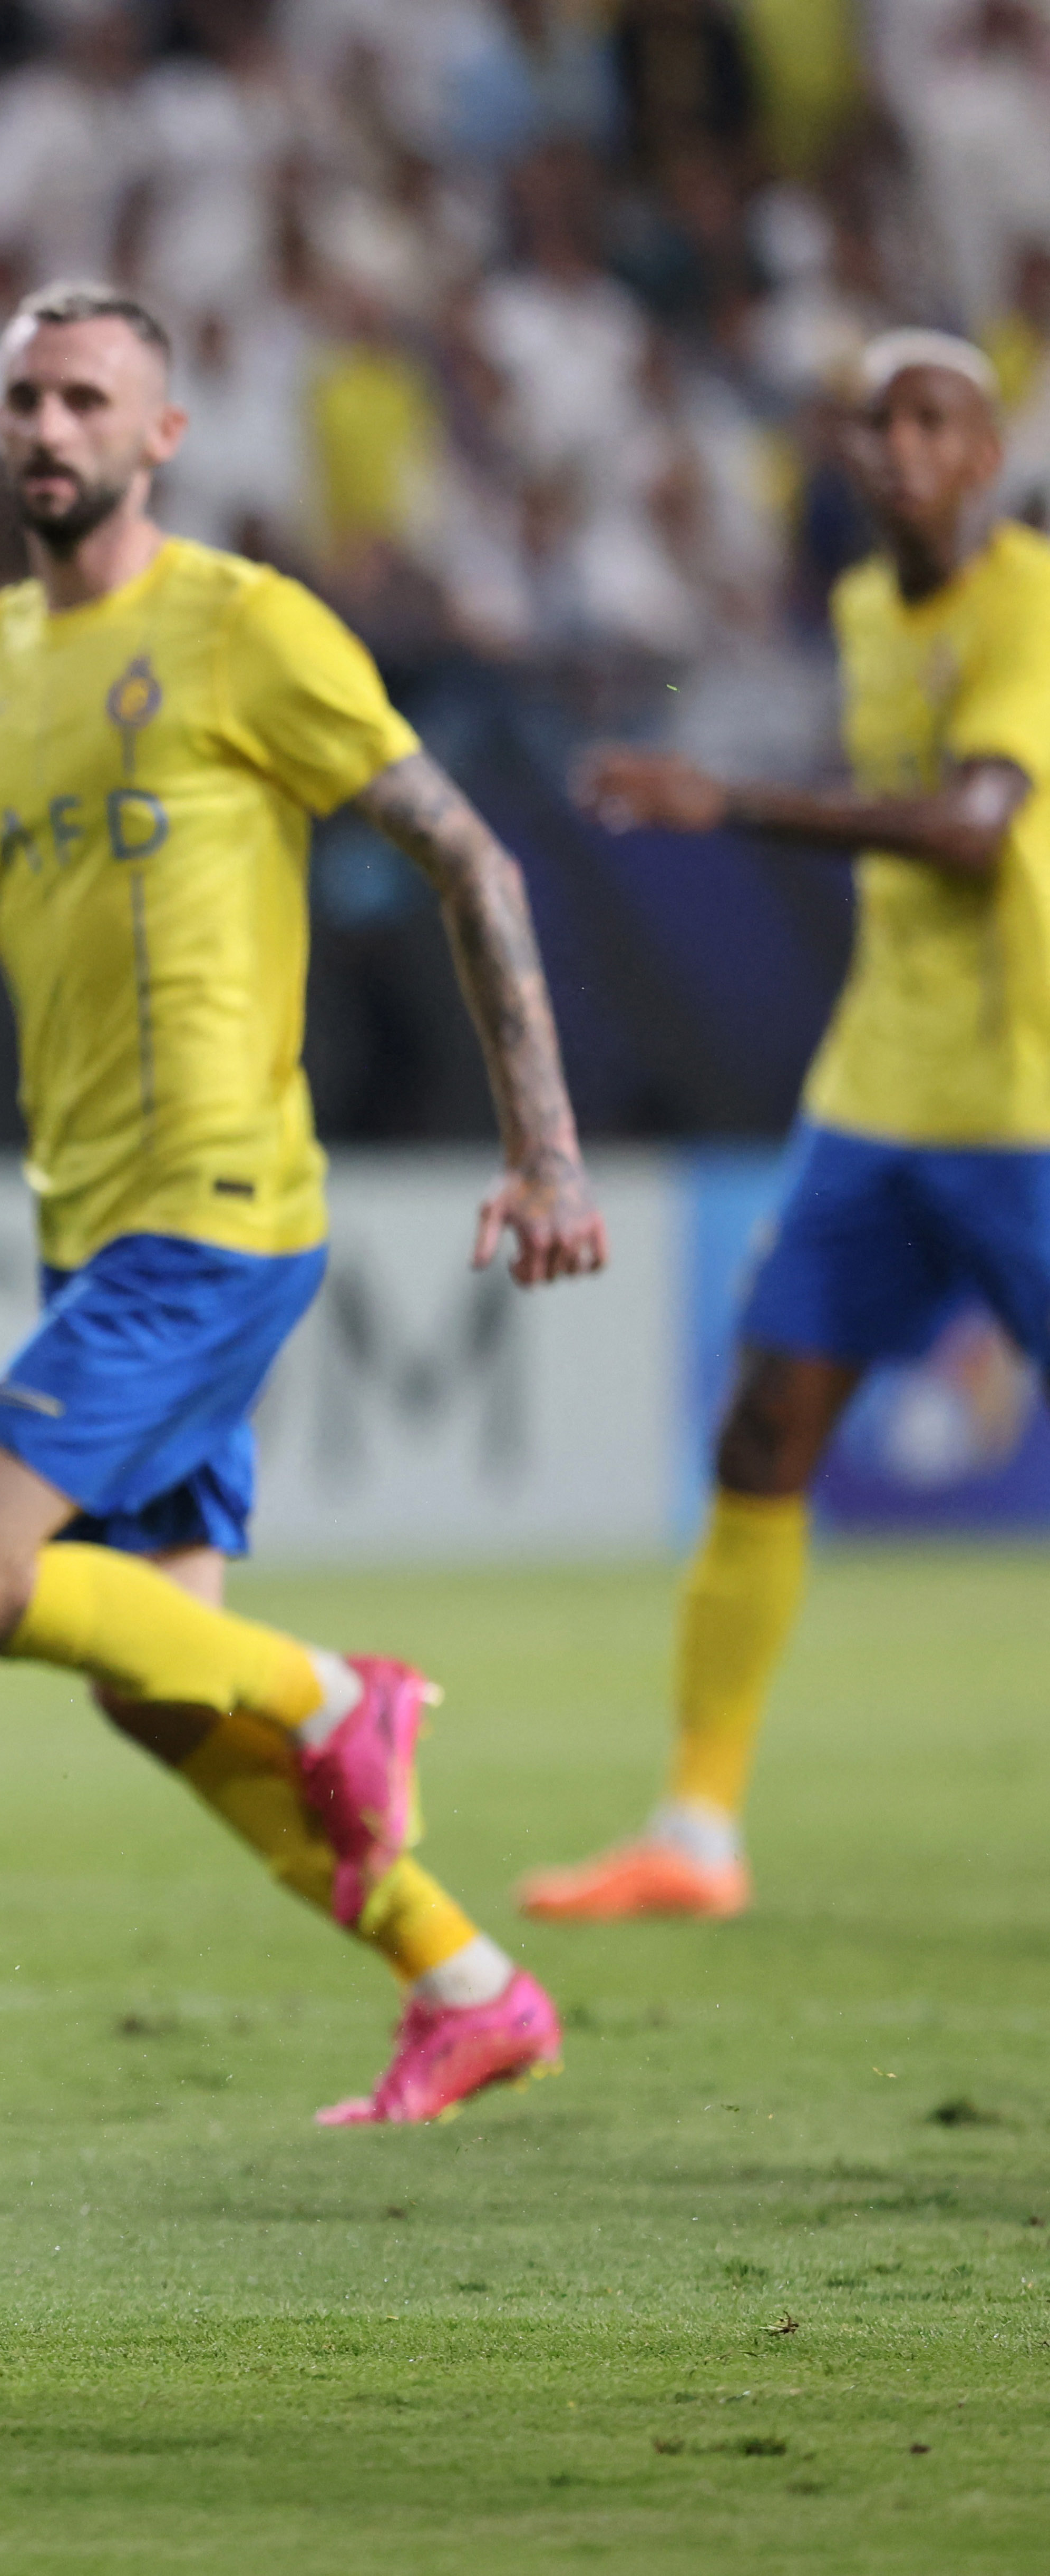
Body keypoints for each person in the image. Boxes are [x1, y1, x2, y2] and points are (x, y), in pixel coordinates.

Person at [0, 281, 611, 2126]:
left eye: (87, 398)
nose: (48, 429)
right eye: (23, 398)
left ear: (162, 435)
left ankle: (336, 1694)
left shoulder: (248, 628)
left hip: (221, 1204)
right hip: (92, 1217)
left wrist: (543, 1149)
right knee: (154, 1682)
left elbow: (466, 854)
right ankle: (466, 1983)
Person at [525, 332, 1050, 1922]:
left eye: (933, 416)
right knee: (763, 1429)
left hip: (1026, 1104)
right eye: (875, 419)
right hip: (877, 1100)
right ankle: (696, 1829)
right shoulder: (866, 610)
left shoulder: (1027, 599)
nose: (898, 442)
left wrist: (730, 800)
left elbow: (973, 828)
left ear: (984, 451)